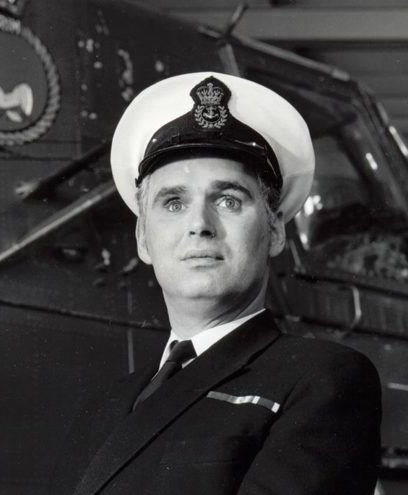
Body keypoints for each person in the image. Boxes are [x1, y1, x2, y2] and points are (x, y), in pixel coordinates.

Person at [54, 72, 381, 495]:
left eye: (228, 200)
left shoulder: (321, 380)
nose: (199, 226)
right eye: (173, 202)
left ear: (275, 229)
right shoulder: (103, 407)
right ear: (143, 239)